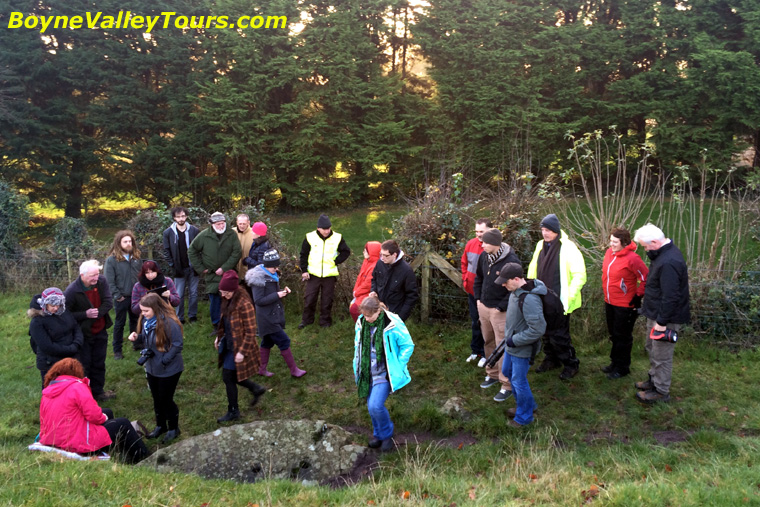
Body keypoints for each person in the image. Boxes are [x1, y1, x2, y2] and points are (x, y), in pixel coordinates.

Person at [39, 358, 149, 463]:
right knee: (123, 423)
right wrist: (103, 417)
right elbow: (94, 415)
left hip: (54, 440)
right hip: (78, 444)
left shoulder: (47, 391)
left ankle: (112, 448)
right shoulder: (77, 386)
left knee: (108, 412)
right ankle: (143, 458)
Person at [633, 223, 690, 404]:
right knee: (652, 348)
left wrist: (662, 322)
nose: (646, 250)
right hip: (656, 313)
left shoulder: (669, 262)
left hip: (665, 318)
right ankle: (653, 380)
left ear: (656, 242)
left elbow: (671, 295)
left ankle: (661, 391)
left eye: (646, 246)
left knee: (662, 355)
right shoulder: (662, 255)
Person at [527, 214, 587, 380]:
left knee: (560, 336)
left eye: (548, 230)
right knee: (545, 333)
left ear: (556, 230)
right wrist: (529, 289)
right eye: (543, 230)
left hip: (560, 302)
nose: (545, 233)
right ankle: (551, 359)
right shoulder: (540, 245)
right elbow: (533, 269)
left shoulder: (568, 247)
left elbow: (579, 275)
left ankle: (570, 364)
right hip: (541, 299)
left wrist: (568, 297)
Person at [353, 295, 414, 452]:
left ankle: (387, 436)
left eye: (369, 316)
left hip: (384, 372)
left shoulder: (392, 323)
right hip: (367, 371)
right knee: (370, 406)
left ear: (378, 311)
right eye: (364, 315)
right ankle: (378, 435)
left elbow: (407, 345)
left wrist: (398, 366)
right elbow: (357, 346)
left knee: (376, 405)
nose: (366, 319)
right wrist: (357, 366)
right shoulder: (361, 322)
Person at [128, 293, 184, 444]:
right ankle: (161, 426)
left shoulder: (170, 323)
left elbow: (178, 344)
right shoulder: (148, 322)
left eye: (146, 311)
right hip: (153, 368)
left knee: (166, 400)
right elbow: (149, 339)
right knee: (157, 399)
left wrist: (164, 360)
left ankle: (174, 428)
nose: (143, 314)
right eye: (142, 310)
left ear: (155, 308)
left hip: (169, 369)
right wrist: (137, 337)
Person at [495, 263, 546, 427]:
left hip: (522, 348)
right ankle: (529, 406)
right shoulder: (515, 292)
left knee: (518, 381)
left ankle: (524, 417)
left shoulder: (530, 299)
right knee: (507, 371)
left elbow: (538, 329)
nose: (503, 285)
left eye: (506, 281)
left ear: (516, 279)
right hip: (512, 345)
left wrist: (514, 340)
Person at [473, 228, 520, 402]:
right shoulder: (483, 257)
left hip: (500, 311)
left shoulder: (511, 261)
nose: (482, 245)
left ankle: (506, 384)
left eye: (485, 242)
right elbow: (478, 278)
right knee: (488, 341)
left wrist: (501, 307)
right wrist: (478, 299)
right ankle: (491, 374)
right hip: (483, 306)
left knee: (502, 347)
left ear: (495, 243)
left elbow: (516, 287)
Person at [214, 270, 267, 423]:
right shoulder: (227, 300)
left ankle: (233, 411)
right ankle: (256, 389)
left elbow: (251, 332)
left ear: (234, 290)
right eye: (221, 292)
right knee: (232, 376)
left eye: (226, 292)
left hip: (240, 346)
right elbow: (225, 323)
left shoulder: (245, 304)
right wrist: (219, 338)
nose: (223, 295)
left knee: (228, 376)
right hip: (230, 343)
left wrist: (242, 352)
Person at [245, 249, 306, 378]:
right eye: (274, 266)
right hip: (267, 318)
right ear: (266, 265)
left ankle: (261, 369)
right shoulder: (259, 279)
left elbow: (272, 292)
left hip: (272, 314)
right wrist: (277, 295)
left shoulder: (271, 274)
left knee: (267, 342)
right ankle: (294, 370)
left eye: (277, 265)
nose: (276, 268)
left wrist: (282, 291)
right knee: (284, 341)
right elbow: (259, 300)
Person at [64, 260, 115, 402]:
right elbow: (65, 314)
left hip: (100, 330)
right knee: (84, 364)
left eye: (97, 274)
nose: (96, 278)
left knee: (99, 362)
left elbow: (108, 302)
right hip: (83, 334)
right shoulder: (72, 291)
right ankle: (84, 395)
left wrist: (97, 314)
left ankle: (98, 392)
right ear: (82, 275)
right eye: (93, 275)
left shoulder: (101, 282)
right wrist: (85, 315)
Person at [601, 228, 649, 380]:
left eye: (615, 242)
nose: (612, 244)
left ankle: (622, 368)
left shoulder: (632, 258)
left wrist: (638, 295)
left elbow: (646, 277)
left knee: (623, 336)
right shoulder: (609, 253)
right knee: (614, 334)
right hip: (609, 301)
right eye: (611, 241)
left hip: (625, 304)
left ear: (624, 243)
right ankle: (614, 363)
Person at [188, 212, 242, 327]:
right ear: (212, 224)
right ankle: (216, 325)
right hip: (212, 275)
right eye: (218, 224)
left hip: (228, 274)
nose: (221, 226)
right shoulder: (204, 235)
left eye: (223, 223)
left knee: (230, 299)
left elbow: (237, 252)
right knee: (215, 300)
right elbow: (192, 251)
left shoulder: (231, 234)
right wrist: (201, 268)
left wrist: (224, 268)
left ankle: (231, 323)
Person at [298, 214, 351, 329]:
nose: (327, 231)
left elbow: (346, 251)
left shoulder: (337, 237)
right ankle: (307, 320)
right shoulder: (309, 237)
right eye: (324, 229)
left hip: (329, 275)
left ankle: (325, 322)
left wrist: (336, 261)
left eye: (328, 228)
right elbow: (303, 255)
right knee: (309, 298)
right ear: (318, 228)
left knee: (327, 300)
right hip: (313, 274)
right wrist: (304, 270)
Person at [28, 288, 83, 387]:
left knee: (73, 387)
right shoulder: (37, 322)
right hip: (50, 362)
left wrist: (77, 344)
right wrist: (70, 349)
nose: (56, 308)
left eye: (58, 305)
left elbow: (75, 327)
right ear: (45, 305)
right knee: (53, 389)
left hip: (71, 357)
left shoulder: (65, 312)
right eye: (52, 306)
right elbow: (47, 346)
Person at [104, 230, 143, 360]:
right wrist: (117, 295)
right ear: (119, 243)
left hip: (136, 297)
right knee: (119, 324)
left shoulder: (137, 258)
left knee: (136, 321)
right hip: (121, 297)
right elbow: (109, 280)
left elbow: (141, 277)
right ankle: (117, 351)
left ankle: (137, 344)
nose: (128, 244)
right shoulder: (112, 260)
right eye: (125, 241)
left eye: (130, 241)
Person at [162, 206, 200, 324]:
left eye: (183, 216)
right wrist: (172, 264)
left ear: (186, 216)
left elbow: (199, 249)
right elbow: (166, 250)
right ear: (174, 218)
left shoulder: (194, 231)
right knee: (179, 294)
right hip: (179, 268)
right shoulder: (168, 233)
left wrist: (198, 264)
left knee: (194, 293)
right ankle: (180, 317)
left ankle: (192, 315)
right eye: (178, 216)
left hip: (193, 268)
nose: (181, 218)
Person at [460, 218, 490, 364]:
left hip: (486, 294)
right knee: (475, 321)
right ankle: (475, 350)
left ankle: (486, 353)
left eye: (482, 232)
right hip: (472, 291)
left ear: (489, 230)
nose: (478, 234)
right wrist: (465, 278)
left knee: (486, 323)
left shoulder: (492, 246)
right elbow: (464, 262)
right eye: (477, 231)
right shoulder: (470, 244)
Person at [369, 240, 418, 322]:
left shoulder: (406, 271)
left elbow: (412, 296)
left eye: (386, 255)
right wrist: (373, 290)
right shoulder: (380, 263)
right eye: (381, 254)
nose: (382, 258)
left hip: (395, 313)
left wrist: (401, 317)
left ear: (394, 255)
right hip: (378, 309)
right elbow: (374, 279)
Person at [350, 241, 382, 322]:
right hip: (361, 292)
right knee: (353, 307)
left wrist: (357, 292)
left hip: (368, 293)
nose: (363, 251)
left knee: (354, 309)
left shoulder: (375, 266)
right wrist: (355, 291)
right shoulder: (367, 261)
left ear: (372, 252)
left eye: (365, 250)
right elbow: (360, 278)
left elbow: (368, 284)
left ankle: (363, 325)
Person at [234, 213, 254, 280]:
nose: (242, 226)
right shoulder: (232, 232)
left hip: (249, 271)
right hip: (235, 270)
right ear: (237, 223)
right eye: (240, 224)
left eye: (244, 224)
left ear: (248, 223)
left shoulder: (254, 233)